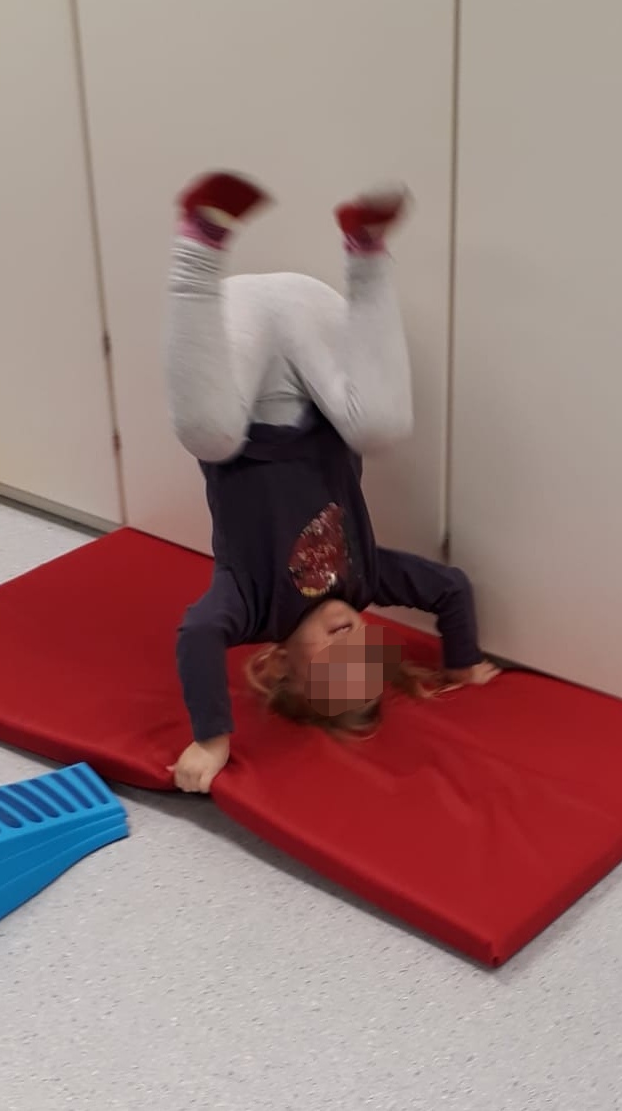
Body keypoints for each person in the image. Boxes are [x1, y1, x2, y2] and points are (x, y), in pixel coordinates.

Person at [165, 172, 499, 794]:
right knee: (382, 427)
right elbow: (449, 588)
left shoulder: (248, 608)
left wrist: (212, 737)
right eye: (362, 661)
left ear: (277, 665)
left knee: (211, 435)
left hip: (240, 343)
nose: (348, 648)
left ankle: (199, 245)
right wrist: (463, 662)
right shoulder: (367, 578)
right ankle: (366, 252)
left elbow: (197, 636)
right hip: (308, 323)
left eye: (329, 669)